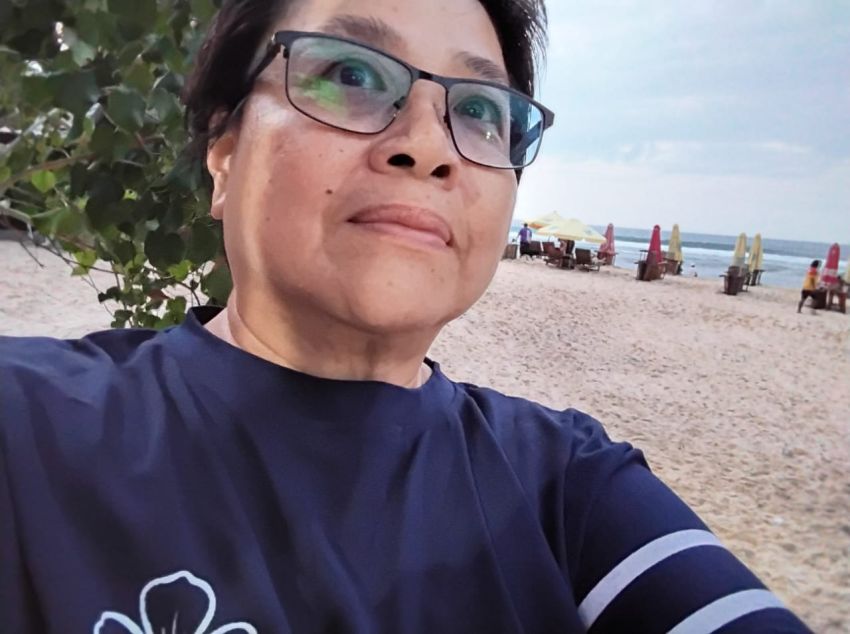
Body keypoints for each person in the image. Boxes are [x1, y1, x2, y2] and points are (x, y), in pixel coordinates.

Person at [0, 1, 809, 632]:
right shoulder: (30, 427)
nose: (428, 146)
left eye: (482, 110)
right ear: (224, 156)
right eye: (350, 73)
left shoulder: (572, 492)